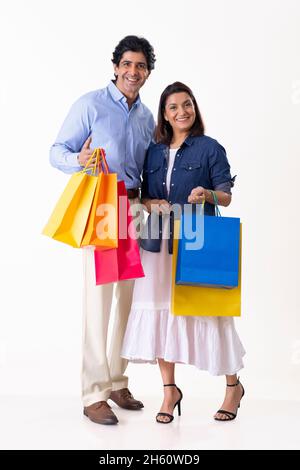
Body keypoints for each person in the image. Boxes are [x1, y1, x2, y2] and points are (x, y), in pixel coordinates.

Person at [121, 82, 246, 423]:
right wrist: (150, 202)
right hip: (158, 239)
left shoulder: (209, 148)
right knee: (161, 311)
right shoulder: (153, 151)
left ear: (195, 107)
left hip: (197, 239)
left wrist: (206, 194)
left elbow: (226, 196)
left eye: (187, 104)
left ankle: (233, 386)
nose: (182, 112)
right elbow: (145, 196)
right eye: (173, 107)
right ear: (164, 114)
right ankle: (169, 391)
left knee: (210, 310)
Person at [49, 36, 156, 425]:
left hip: (135, 206)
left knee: (128, 301)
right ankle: (93, 392)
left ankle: (116, 380)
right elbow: (55, 150)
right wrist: (77, 159)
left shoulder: (147, 117)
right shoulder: (90, 105)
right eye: (127, 64)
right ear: (115, 67)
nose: (133, 72)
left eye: (141, 66)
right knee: (99, 300)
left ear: (147, 72)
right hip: (102, 205)